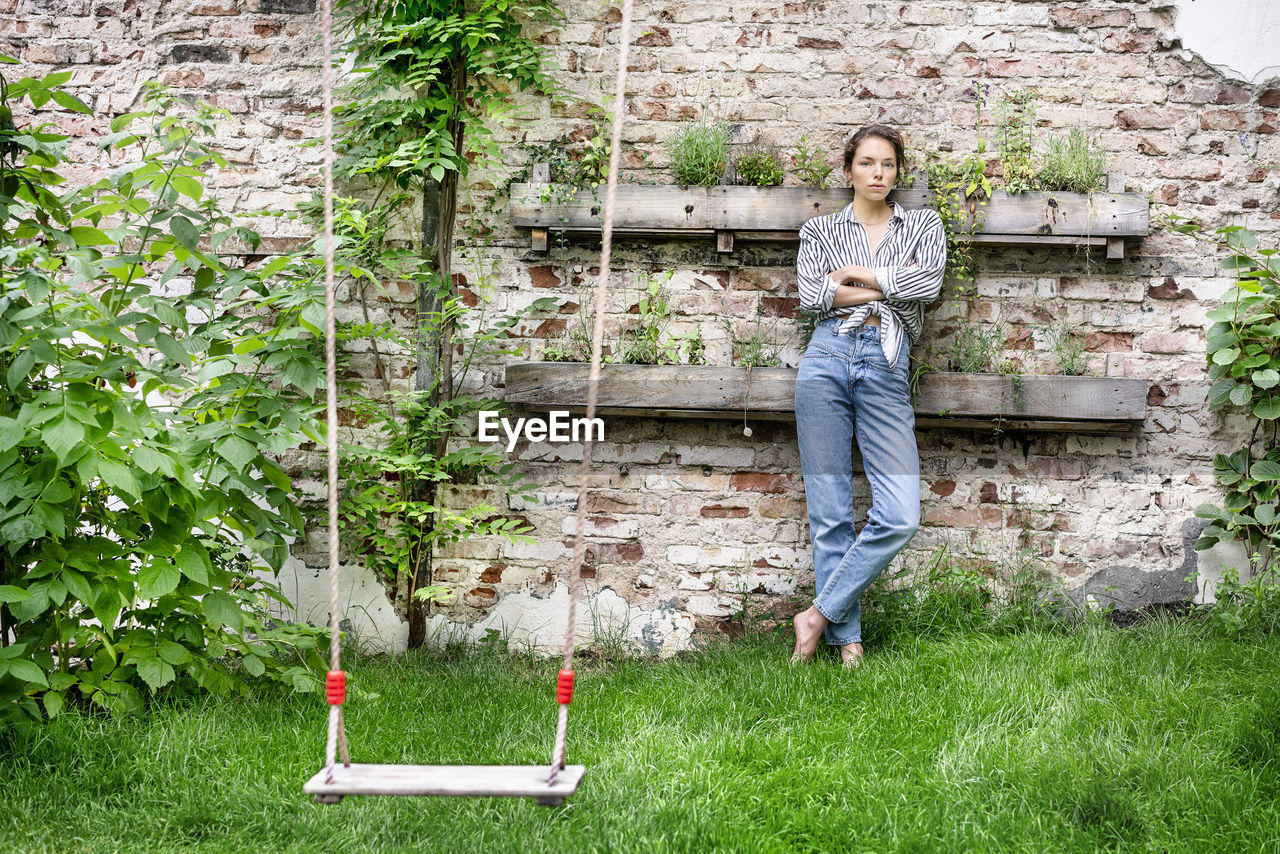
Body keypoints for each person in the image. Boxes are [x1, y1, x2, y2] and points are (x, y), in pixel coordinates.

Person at [790, 125, 946, 668]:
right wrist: (890, 284)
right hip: (826, 360)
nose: (878, 174)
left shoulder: (923, 224)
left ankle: (817, 614)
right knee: (830, 512)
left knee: (900, 514)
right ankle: (846, 641)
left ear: (898, 171)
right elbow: (813, 294)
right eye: (867, 163)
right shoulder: (820, 230)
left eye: (887, 165)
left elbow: (928, 284)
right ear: (849, 169)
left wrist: (858, 275)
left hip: (885, 362)